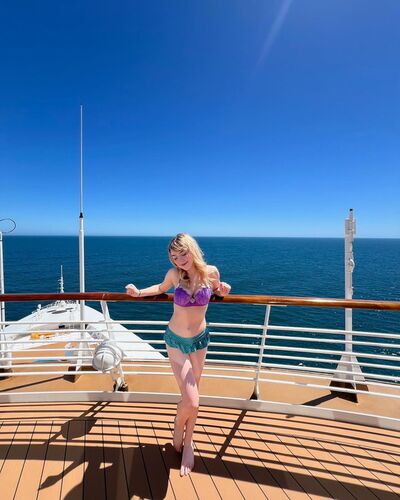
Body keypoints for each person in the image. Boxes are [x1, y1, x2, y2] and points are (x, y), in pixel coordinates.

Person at [126, 233, 231, 476]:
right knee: (191, 401)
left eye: (182, 254)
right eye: (174, 256)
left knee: (193, 398)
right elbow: (160, 288)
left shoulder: (211, 272)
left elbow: (219, 290)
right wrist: (138, 292)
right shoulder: (174, 274)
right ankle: (177, 425)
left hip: (200, 341)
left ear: (192, 250)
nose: (179, 260)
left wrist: (224, 290)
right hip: (175, 341)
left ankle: (188, 442)